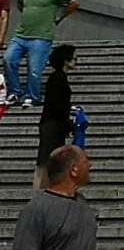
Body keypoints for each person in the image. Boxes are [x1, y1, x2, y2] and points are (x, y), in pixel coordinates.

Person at [5, 0, 76, 110]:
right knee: (8, 59)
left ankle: (32, 96)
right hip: (21, 34)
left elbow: (74, 2)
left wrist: (59, 17)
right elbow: (21, 5)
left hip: (41, 37)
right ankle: (15, 92)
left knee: (35, 69)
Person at [13, 144, 94, 249]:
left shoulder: (82, 203)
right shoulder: (37, 209)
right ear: (74, 170)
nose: (90, 165)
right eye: (85, 162)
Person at [34, 44, 78, 188]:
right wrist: (68, 121)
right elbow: (56, 105)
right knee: (47, 160)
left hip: (54, 124)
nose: (76, 60)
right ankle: (41, 191)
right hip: (52, 125)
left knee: (49, 160)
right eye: (73, 58)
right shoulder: (57, 78)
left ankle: (43, 190)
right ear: (66, 60)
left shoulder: (58, 78)